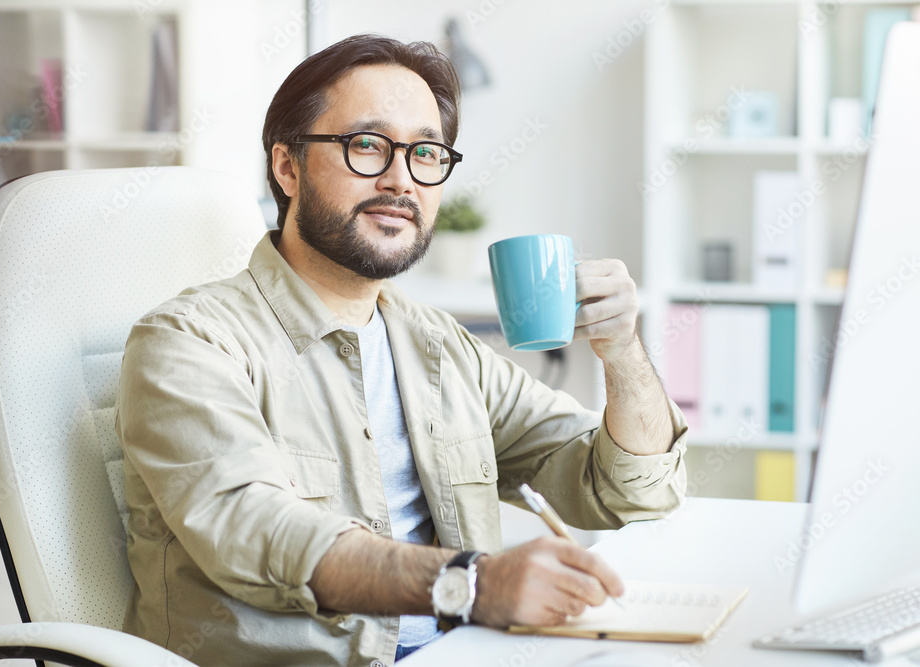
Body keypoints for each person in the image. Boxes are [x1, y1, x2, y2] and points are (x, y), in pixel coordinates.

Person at [115, 34, 688, 667]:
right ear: (287, 167)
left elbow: (625, 489)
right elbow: (254, 531)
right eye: (366, 145)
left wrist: (624, 354)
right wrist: (476, 585)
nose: (400, 179)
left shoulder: (439, 346)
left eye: (425, 152)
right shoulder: (190, 342)